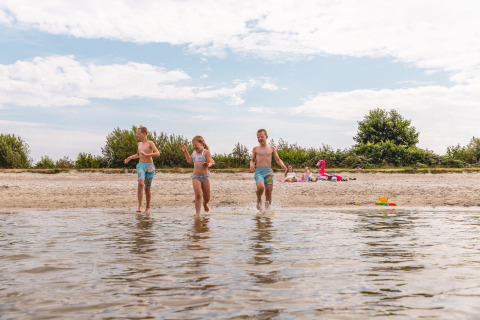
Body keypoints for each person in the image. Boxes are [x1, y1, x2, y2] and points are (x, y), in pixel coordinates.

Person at [124, 126, 160, 214]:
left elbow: (157, 153)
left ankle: (148, 207)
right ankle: (140, 205)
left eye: (138, 133)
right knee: (140, 183)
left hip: (150, 167)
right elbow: (138, 154)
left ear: (144, 134)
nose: (137, 135)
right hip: (140, 166)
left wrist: (147, 155)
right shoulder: (139, 144)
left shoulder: (150, 143)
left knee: (147, 188)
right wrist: (130, 157)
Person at [250, 129, 287, 212]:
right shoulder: (256, 149)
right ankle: (259, 197)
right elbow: (252, 160)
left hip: (268, 172)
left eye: (261, 136)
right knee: (261, 187)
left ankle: (267, 210)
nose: (260, 138)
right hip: (259, 171)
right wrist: (251, 164)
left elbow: (277, 159)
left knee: (269, 191)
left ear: (266, 137)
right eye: (258, 137)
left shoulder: (271, 148)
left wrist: (282, 164)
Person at [181, 135, 215, 217]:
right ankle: (198, 214)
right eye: (193, 145)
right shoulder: (194, 153)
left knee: (207, 197)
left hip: (205, 177)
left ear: (202, 144)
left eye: (195, 145)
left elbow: (210, 163)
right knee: (198, 194)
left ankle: (205, 204)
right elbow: (189, 160)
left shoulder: (206, 152)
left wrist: (207, 164)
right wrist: (185, 151)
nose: (194, 147)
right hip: (195, 177)